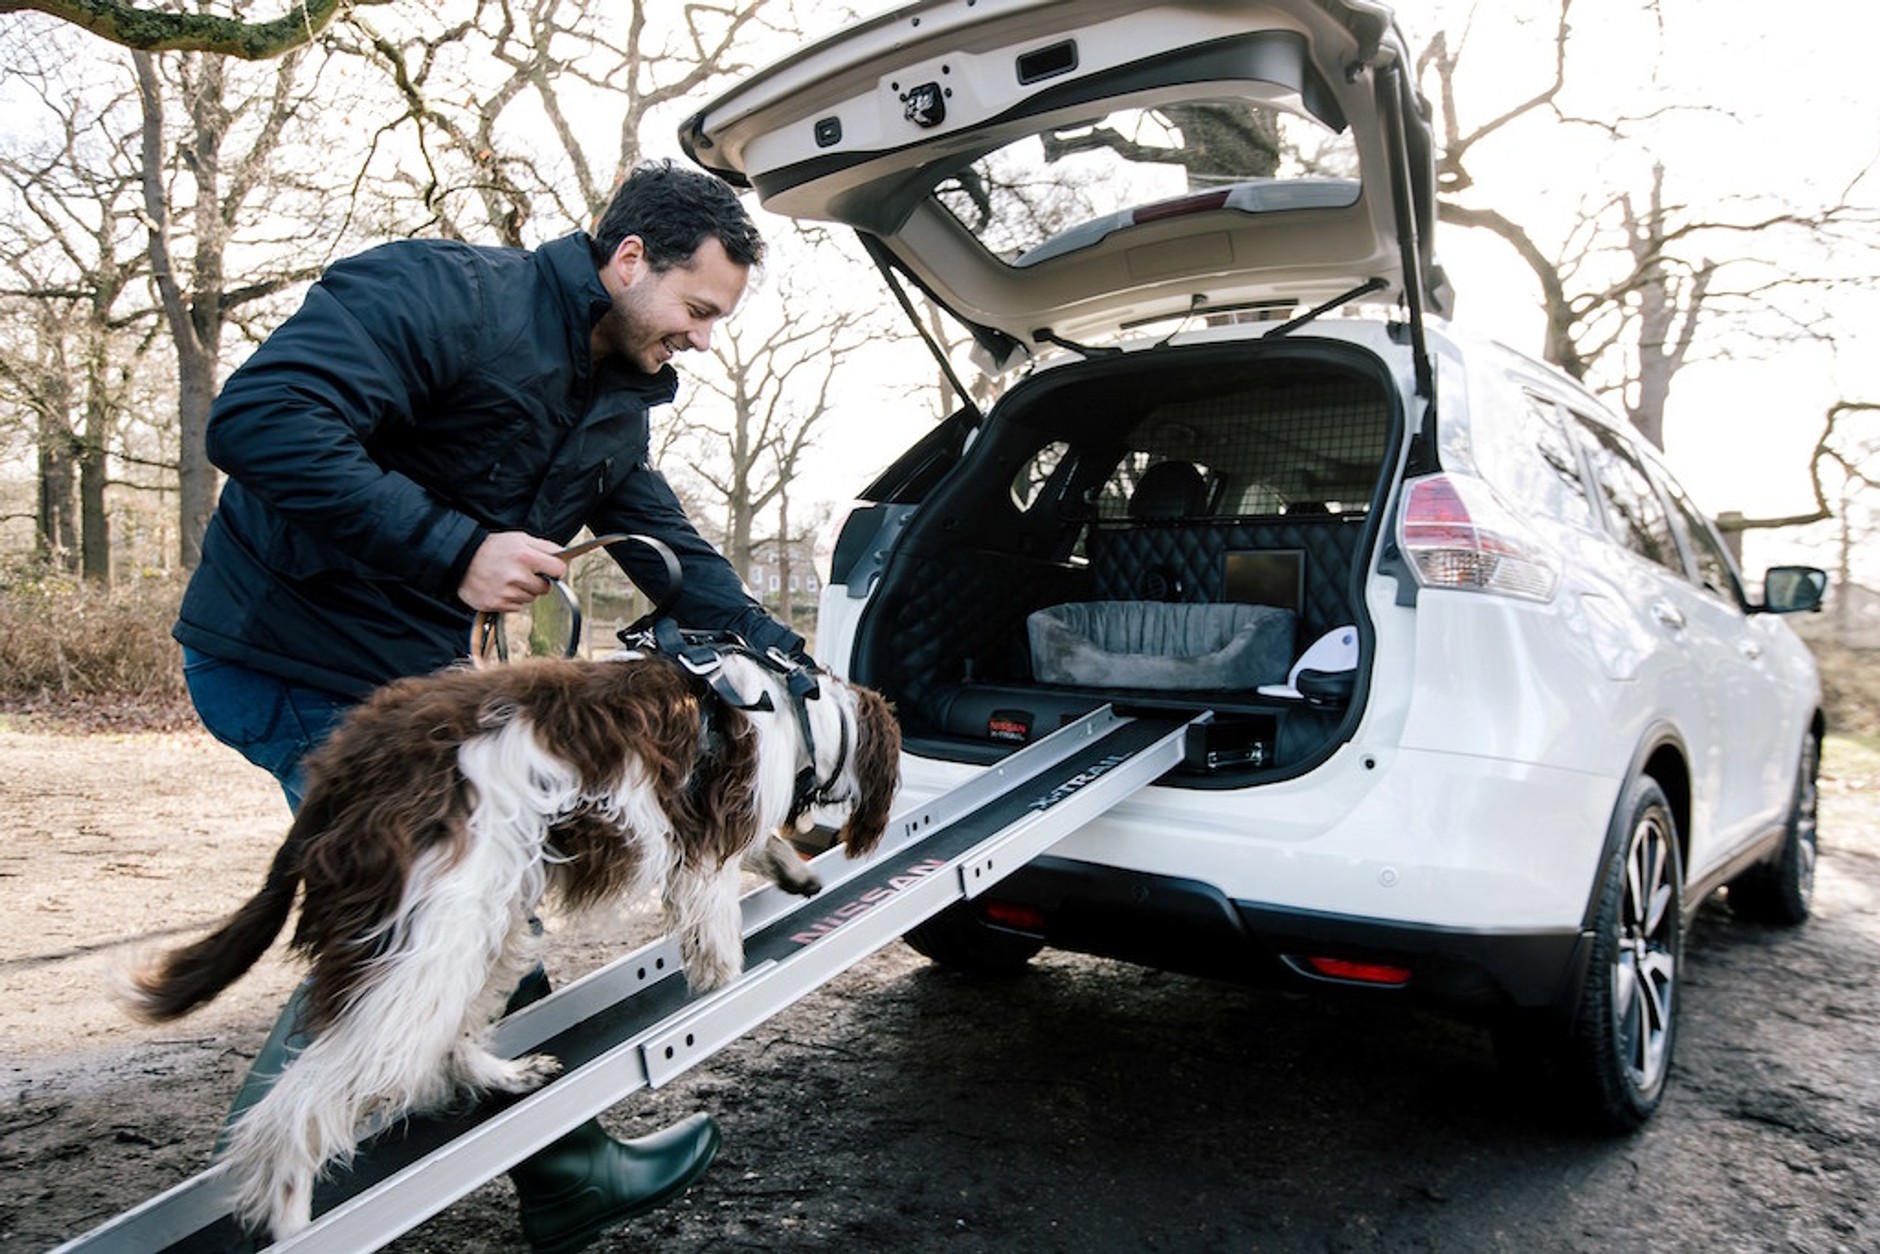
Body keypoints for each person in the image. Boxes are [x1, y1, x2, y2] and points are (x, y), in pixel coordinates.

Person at [173, 160, 804, 1252]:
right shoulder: (439, 295)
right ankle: (243, 1224)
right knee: (427, 920)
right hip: (284, 653)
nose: (703, 337)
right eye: (696, 308)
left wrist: (788, 661)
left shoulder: (612, 397)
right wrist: (452, 547)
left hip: (403, 680)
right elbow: (261, 421)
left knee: (483, 902)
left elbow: (668, 546)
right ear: (625, 260)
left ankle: (567, 1169)